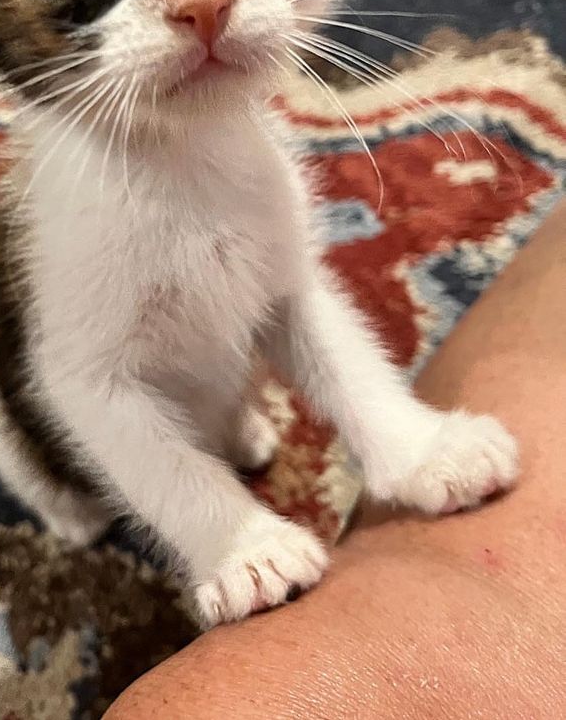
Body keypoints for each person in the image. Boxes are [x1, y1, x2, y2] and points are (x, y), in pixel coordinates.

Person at [106, 200, 566, 719]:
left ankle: (239, 428)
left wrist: (404, 444)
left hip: (213, 394)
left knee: (260, 305)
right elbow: (95, 385)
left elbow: (290, 300)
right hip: (88, 449)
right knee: (77, 503)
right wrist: (221, 533)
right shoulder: (75, 208)